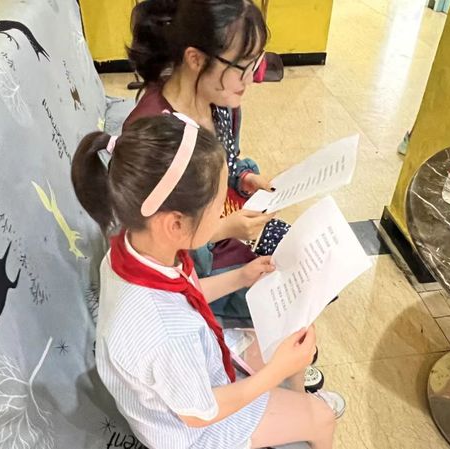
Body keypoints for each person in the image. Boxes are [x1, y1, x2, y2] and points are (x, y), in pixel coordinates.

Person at [71, 114, 342, 448]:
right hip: (193, 432)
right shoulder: (165, 331)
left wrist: (240, 276)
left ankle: (296, 407)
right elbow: (200, 414)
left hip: (191, 377)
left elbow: (186, 292)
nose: (225, 214)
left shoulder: (131, 249)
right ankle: (304, 414)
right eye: (217, 206)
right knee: (323, 417)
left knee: (290, 334)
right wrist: (276, 372)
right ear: (175, 224)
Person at [123, 0, 290, 321]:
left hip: (223, 232)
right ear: (195, 59)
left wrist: (244, 178)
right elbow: (153, 240)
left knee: (307, 257)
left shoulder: (220, 102)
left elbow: (228, 159)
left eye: (256, 64)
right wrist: (224, 228)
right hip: (189, 267)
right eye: (242, 67)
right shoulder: (155, 135)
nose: (251, 80)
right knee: (286, 293)